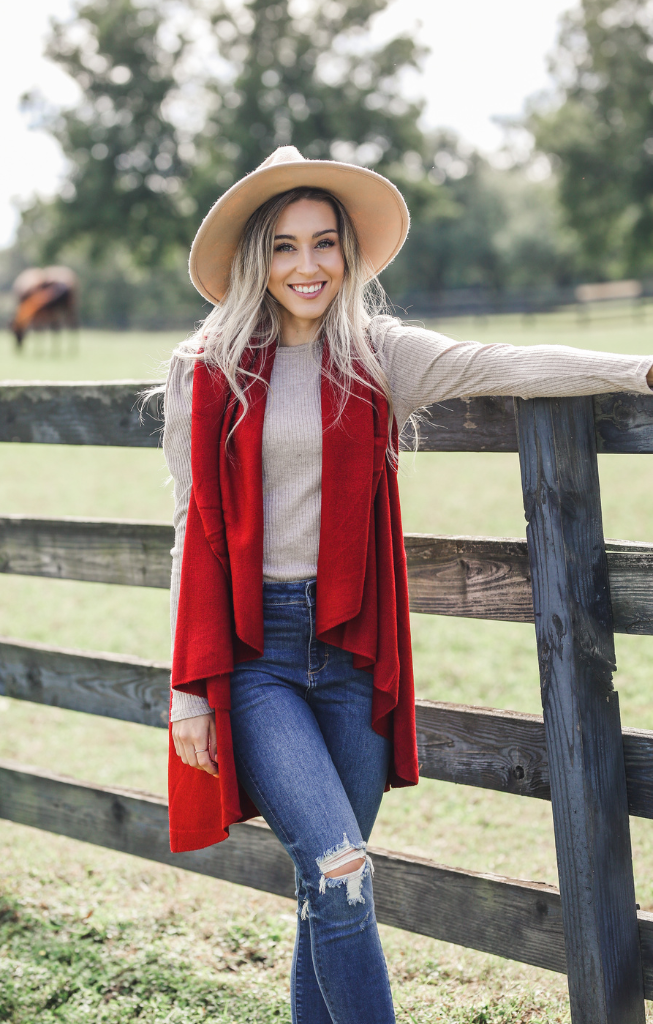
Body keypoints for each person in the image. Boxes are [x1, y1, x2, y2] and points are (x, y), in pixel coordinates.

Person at [161, 146, 653, 1024]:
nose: (305, 265)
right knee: (345, 870)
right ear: (255, 259)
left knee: (328, 885)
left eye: (322, 243)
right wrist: (186, 691)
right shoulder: (207, 367)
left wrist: (634, 371)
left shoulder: (379, 354)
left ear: (346, 251)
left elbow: (500, 363)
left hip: (352, 647)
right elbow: (188, 530)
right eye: (283, 246)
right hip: (255, 655)